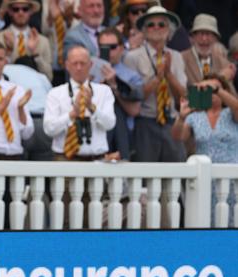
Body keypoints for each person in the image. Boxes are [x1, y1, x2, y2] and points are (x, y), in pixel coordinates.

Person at [172, 75, 238, 226]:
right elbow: (178, 136)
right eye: (207, 90)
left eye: (214, 90)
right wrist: (181, 117)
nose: (212, 94)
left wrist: (217, 89)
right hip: (205, 179)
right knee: (206, 222)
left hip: (232, 180)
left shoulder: (231, 113)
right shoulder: (195, 116)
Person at [124, 6, 187, 162]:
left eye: (161, 24)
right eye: (151, 24)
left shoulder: (177, 57)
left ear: (169, 29)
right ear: (144, 31)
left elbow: (184, 96)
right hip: (145, 123)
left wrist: (169, 75)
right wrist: (157, 79)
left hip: (171, 122)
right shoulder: (132, 57)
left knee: (175, 178)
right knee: (145, 178)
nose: (156, 28)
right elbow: (133, 97)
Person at [44, 46, 116, 161]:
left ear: (91, 65)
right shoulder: (55, 93)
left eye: (83, 63)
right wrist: (72, 114)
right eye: (75, 63)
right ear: (67, 65)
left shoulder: (104, 91)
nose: (79, 68)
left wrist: (92, 108)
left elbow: (110, 124)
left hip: (96, 158)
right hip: (65, 158)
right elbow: (49, 129)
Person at [97, 28, 144, 160]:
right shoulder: (89, 71)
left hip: (123, 136)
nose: (108, 51)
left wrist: (114, 87)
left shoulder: (132, 76)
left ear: (122, 48)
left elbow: (134, 110)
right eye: (103, 47)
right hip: (95, 132)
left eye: (112, 47)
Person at [0, 0, 53, 81]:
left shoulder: (43, 41)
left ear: (31, 11)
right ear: (10, 12)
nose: (20, 13)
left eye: (25, 9)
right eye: (16, 9)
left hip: (34, 89)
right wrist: (8, 53)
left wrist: (35, 54)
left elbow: (49, 77)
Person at [181, 14, 236, 93]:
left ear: (215, 39)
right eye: (201, 33)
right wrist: (219, 79)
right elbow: (180, 94)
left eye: (208, 34)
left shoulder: (224, 63)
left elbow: (233, 97)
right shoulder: (181, 59)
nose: (204, 38)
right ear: (193, 37)